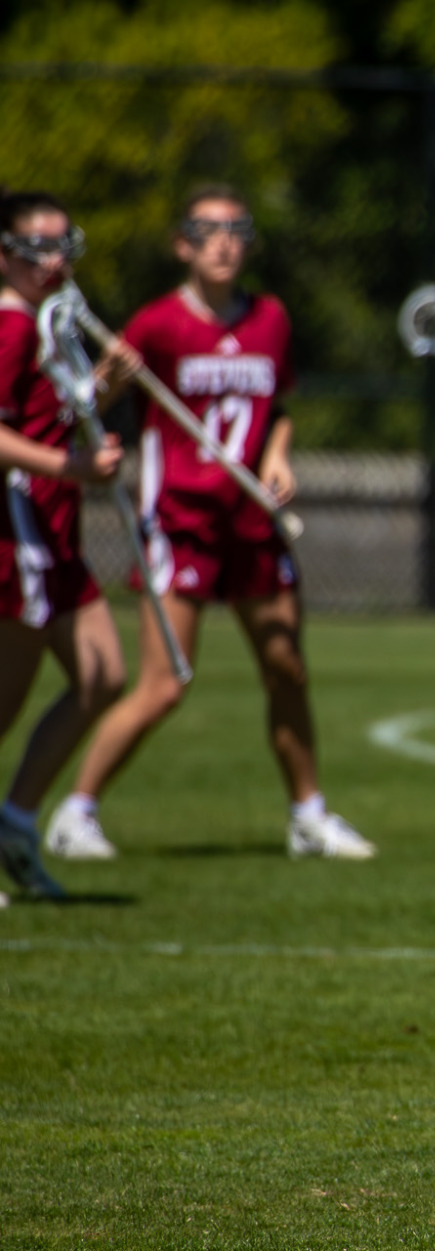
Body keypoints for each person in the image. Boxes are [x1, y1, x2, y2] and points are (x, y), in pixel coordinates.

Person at [44, 185, 373, 863]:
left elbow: (277, 408)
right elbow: (85, 407)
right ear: (182, 245)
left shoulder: (270, 319)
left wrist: (277, 458)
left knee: (287, 666)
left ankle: (308, 814)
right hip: (181, 520)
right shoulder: (158, 323)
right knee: (167, 682)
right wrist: (110, 377)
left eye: (236, 230)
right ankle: (75, 812)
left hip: (251, 519)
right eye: (207, 231)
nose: (224, 243)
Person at [0, 190, 130, 901]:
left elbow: (49, 416)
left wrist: (105, 386)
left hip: (55, 533)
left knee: (103, 673)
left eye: (62, 246)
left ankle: (16, 822)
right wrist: (71, 468)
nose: (54, 262)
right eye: (37, 249)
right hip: (17, 534)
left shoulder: (48, 326)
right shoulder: (11, 328)